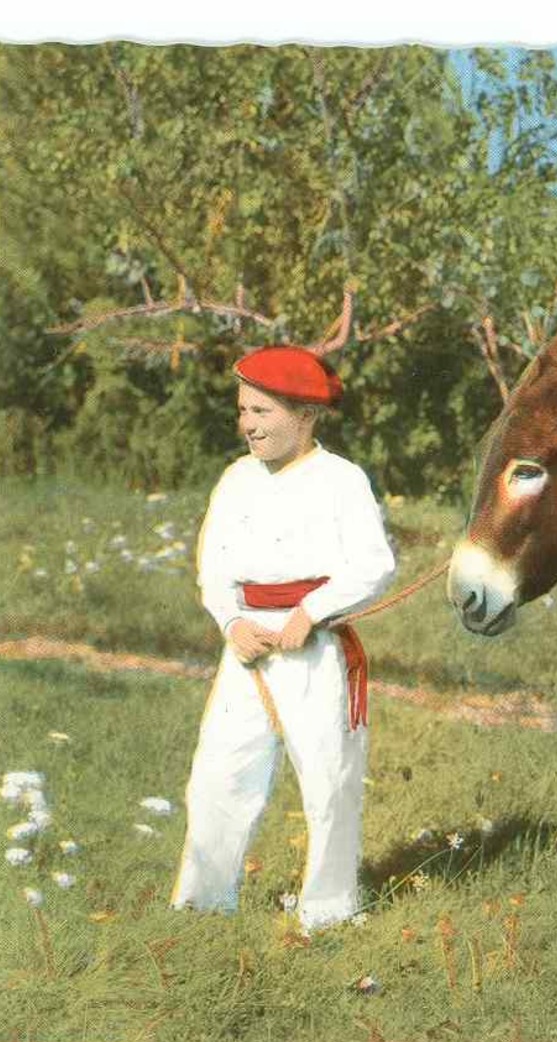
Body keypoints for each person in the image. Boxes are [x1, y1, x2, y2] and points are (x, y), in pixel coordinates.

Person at [170, 345, 397, 932]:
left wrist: (313, 612)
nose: (248, 424)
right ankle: (202, 902)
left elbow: (374, 565)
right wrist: (231, 622)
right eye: (244, 410)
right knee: (220, 773)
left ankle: (328, 910)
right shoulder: (236, 479)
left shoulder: (342, 480)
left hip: (311, 651)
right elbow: (213, 566)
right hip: (245, 647)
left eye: (263, 412)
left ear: (305, 415)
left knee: (328, 779)